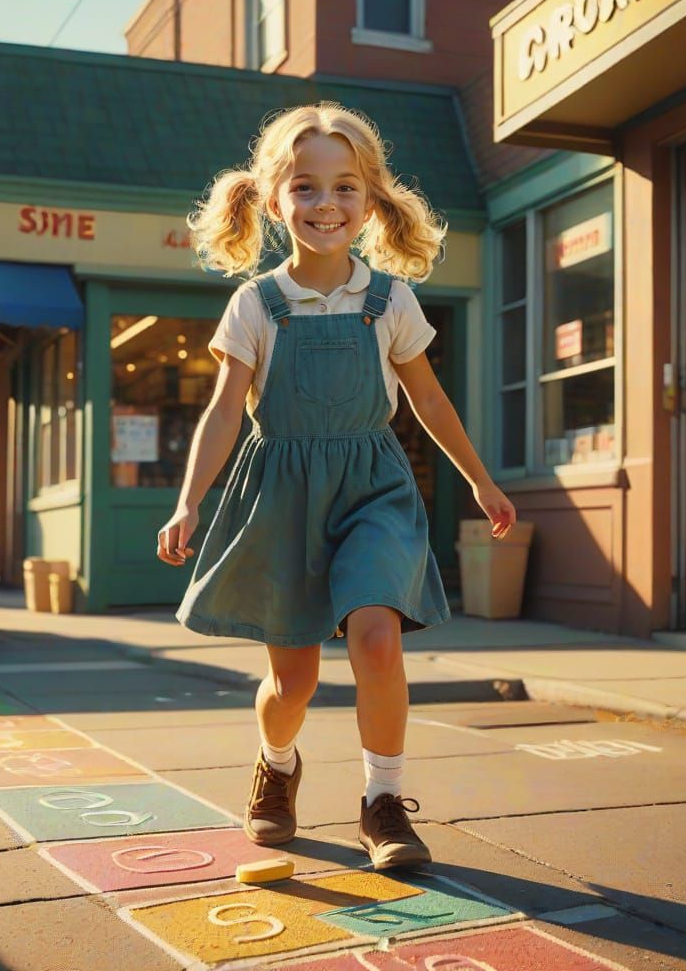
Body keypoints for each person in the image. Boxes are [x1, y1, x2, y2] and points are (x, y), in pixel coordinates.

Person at [156, 102, 516, 870]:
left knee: (378, 640)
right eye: (308, 188)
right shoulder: (256, 304)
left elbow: (429, 400)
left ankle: (383, 801)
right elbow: (225, 413)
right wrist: (189, 499)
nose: (327, 205)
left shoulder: (391, 300)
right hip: (281, 495)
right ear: (275, 199)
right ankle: (276, 766)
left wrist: (480, 481)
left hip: (372, 487)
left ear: (371, 198)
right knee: (292, 683)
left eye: (346, 187)